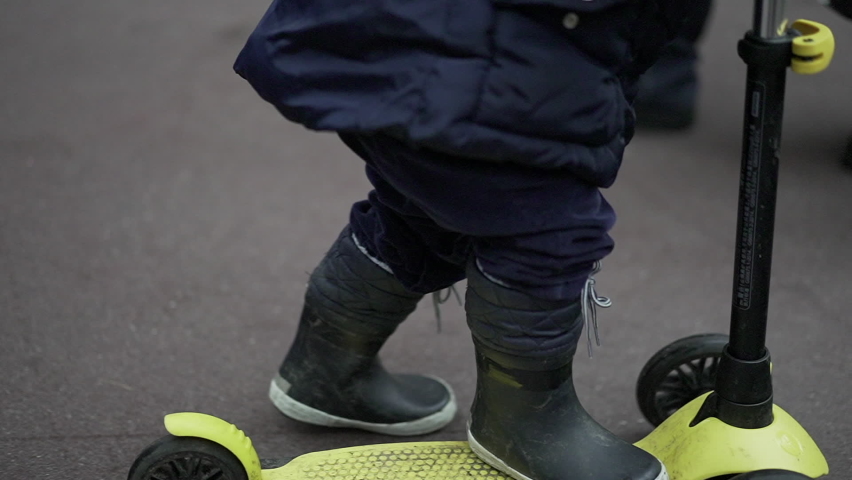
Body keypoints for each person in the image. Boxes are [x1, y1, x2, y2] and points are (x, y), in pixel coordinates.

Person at [233, 2, 694, 479]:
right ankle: (524, 426)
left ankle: (326, 367)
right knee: (546, 233)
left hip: (417, 50)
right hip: (469, 63)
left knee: (425, 216)